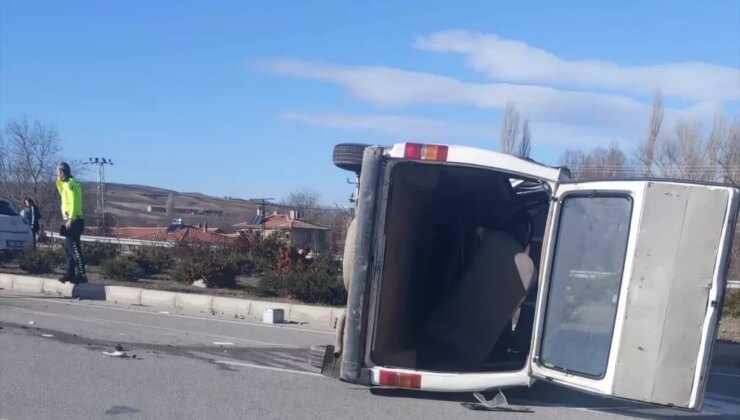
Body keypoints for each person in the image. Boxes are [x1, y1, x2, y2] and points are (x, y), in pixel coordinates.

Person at [56, 162, 87, 284]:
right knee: (68, 248)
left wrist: (70, 219)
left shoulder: (70, 185)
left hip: (74, 220)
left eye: (58, 172)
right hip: (71, 219)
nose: (56, 174)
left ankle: (82, 275)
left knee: (74, 248)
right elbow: (61, 192)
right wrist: (58, 181)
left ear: (63, 172)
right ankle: (70, 274)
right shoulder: (67, 184)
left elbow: (74, 202)